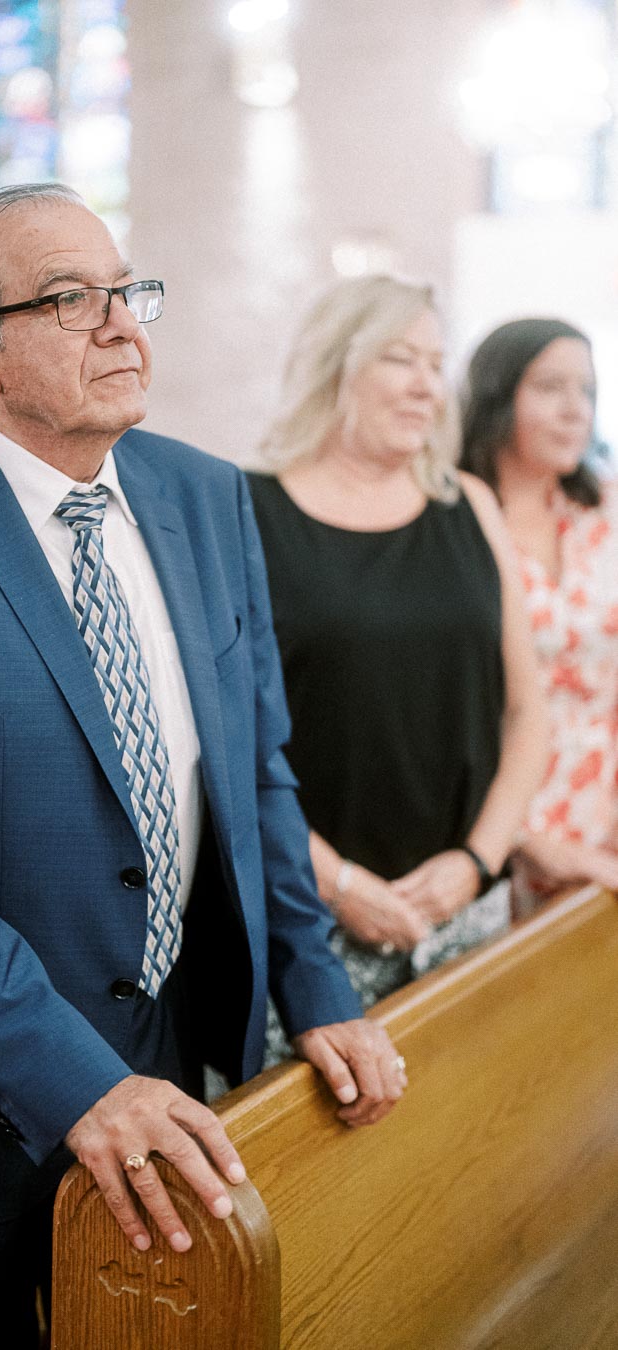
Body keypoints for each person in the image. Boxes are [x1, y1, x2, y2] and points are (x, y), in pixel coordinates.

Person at [0, 184, 404, 1350]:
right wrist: (80, 1088)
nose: (125, 324)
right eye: (73, 300)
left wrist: (314, 991)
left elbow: (255, 775)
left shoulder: (205, 495)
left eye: (127, 291)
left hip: (165, 1072)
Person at [248, 275, 548, 1014]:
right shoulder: (247, 510)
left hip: (463, 911)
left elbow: (528, 713)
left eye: (435, 362)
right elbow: (229, 745)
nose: (426, 386)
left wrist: (476, 861)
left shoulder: (468, 505)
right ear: (334, 364)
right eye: (399, 359)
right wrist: (338, 882)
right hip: (307, 920)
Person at [461, 318, 618, 912]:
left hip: (604, 826)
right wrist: (518, 838)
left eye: (587, 391)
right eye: (551, 387)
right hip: (491, 837)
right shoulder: (454, 519)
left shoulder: (604, 514)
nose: (575, 409)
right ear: (497, 394)